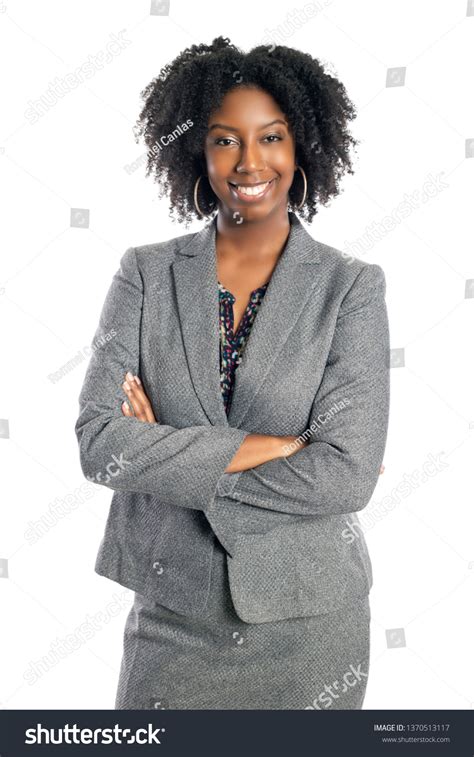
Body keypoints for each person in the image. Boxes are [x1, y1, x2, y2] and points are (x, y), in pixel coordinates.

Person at [75, 36, 390, 710]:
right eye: (224, 140)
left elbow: (347, 473)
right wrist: (275, 447)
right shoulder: (146, 272)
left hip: (308, 628)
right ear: (197, 151)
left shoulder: (349, 287)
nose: (250, 162)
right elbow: (101, 446)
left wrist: (166, 457)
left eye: (271, 137)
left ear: (303, 146)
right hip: (171, 616)